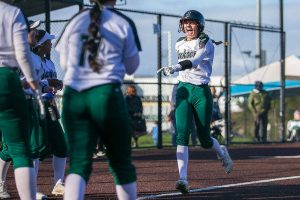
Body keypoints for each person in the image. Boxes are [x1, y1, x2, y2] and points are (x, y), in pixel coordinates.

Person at [55, 0, 141, 199]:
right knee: (121, 163)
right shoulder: (122, 22)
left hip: (73, 95)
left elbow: (64, 61)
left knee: (78, 164)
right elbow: (132, 67)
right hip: (105, 94)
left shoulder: (75, 20)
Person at [157, 10, 233, 194]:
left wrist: (174, 67)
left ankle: (221, 151)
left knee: (204, 139)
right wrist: (177, 70)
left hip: (200, 91)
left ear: (200, 25)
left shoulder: (205, 41)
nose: (188, 26)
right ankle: (183, 179)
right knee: (181, 134)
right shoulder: (179, 43)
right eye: (185, 23)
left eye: (192, 23)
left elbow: (196, 60)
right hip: (183, 89)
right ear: (181, 25)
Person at [0, 1, 45, 199]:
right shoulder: (11, 12)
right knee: (19, 148)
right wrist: (34, 84)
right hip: (6, 79)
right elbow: (22, 53)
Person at [32, 29, 67, 198]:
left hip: (50, 105)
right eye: (47, 42)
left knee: (61, 145)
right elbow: (28, 82)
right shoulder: (31, 60)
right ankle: (31, 189)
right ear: (39, 45)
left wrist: (57, 84)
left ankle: (58, 184)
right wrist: (47, 82)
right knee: (36, 147)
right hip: (34, 106)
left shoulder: (50, 63)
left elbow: (49, 82)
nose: (50, 44)